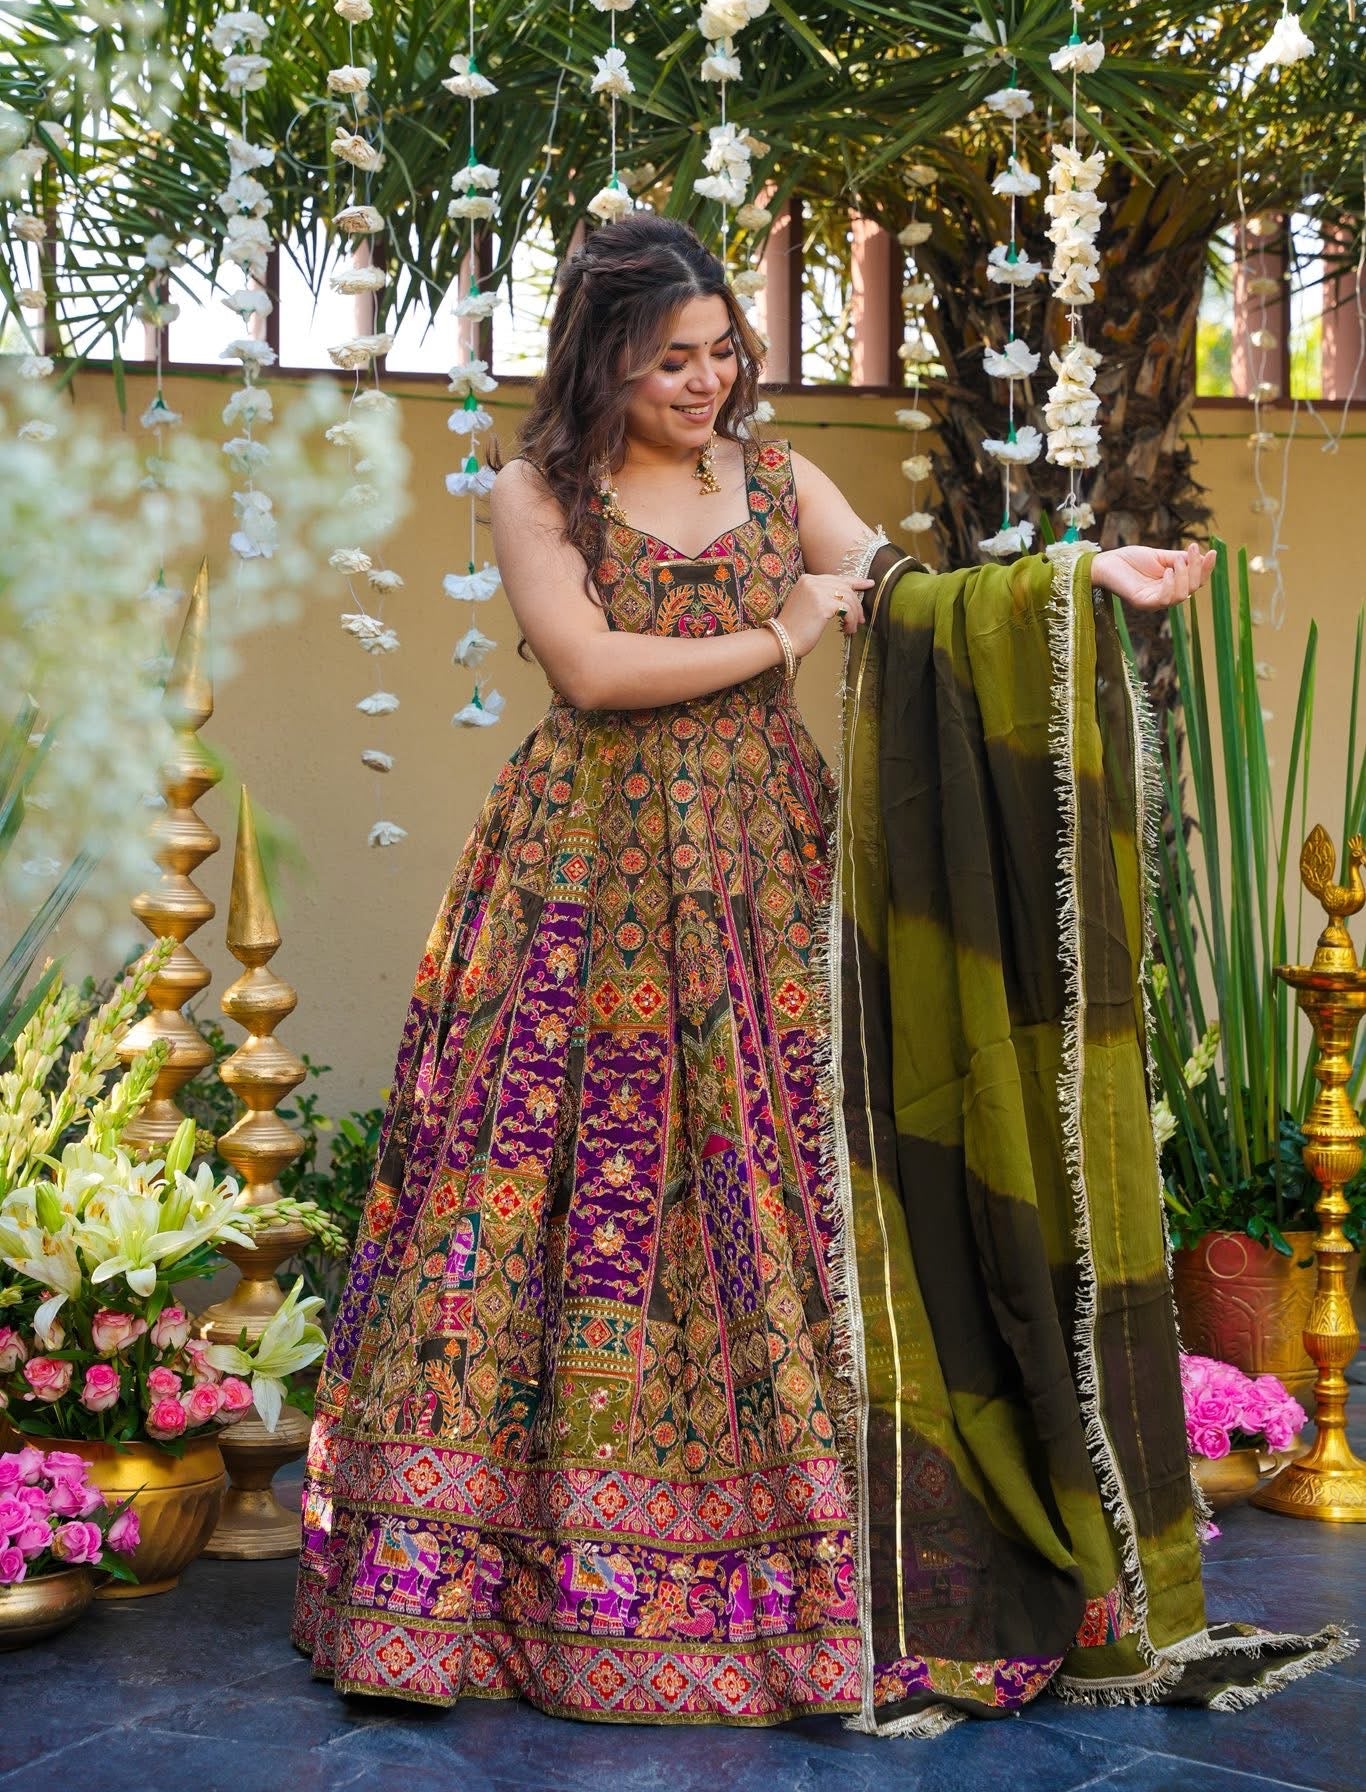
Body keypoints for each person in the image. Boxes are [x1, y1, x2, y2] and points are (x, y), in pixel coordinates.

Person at [292, 213, 1345, 1734]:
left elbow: (911, 597)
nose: (705, 382)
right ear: (602, 359)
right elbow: (591, 669)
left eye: (723, 353)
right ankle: (476, 1582)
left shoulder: (780, 480)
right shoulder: (540, 492)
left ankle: (812, 1562)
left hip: (766, 877)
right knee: (539, 1186)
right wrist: (785, 629)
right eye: (672, 360)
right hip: (579, 877)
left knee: (780, 1181)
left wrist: (1076, 577)